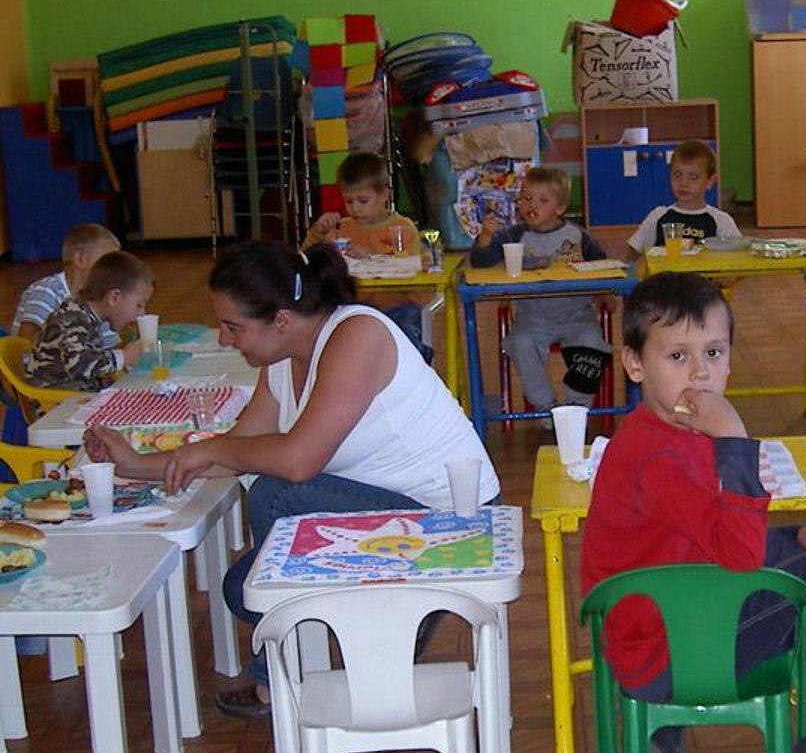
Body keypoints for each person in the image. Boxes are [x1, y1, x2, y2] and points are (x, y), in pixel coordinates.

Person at [84, 240, 499, 717]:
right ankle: (384, 617)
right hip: (390, 506)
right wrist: (136, 464)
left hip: (452, 515)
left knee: (277, 496)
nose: (225, 340)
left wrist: (212, 448)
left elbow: (297, 461)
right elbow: (240, 451)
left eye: (233, 327)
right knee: (242, 589)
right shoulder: (284, 358)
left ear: (281, 320)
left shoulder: (357, 335)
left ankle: (282, 674)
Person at [580, 272, 806, 753]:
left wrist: (798, 536)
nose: (699, 372)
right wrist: (735, 442)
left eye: (713, 353)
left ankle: (672, 727)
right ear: (635, 364)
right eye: (678, 356)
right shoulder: (662, 458)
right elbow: (740, 560)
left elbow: (714, 542)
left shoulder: (666, 435)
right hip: (668, 656)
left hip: (663, 631)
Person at [470, 166, 612, 417]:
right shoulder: (513, 235)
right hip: (533, 319)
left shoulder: (578, 236)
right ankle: (547, 406)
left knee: (591, 344)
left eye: (543, 200)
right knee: (521, 343)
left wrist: (604, 293)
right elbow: (481, 262)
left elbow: (602, 265)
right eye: (526, 198)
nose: (532, 205)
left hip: (577, 316)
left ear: (560, 208)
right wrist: (486, 236)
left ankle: (577, 408)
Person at [30, 251, 150, 390]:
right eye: (139, 305)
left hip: (78, 392)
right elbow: (78, 365)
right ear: (114, 298)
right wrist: (124, 357)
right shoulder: (73, 317)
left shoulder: (87, 315)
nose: (142, 313)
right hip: (60, 399)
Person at [624, 139, 739, 260]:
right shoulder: (658, 216)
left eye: (693, 177)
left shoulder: (721, 221)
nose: (683, 183)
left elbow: (739, 256)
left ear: (710, 181)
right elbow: (633, 252)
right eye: (678, 175)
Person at [14, 223, 120, 346]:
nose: (115, 270)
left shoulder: (101, 300)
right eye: (108, 262)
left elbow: (111, 346)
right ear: (80, 259)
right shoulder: (47, 290)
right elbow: (25, 344)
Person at [302, 152, 421, 259]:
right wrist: (317, 232)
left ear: (384, 195)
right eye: (348, 201)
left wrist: (370, 258)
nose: (355, 208)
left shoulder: (403, 228)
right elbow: (305, 260)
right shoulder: (339, 229)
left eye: (363, 201)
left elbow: (413, 266)